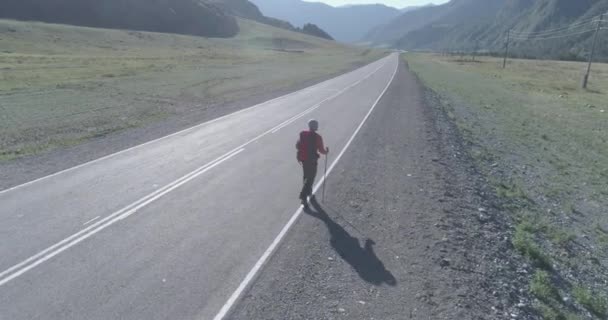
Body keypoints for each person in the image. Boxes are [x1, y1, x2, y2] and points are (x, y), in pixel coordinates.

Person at [296, 119, 329, 207]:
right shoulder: (317, 137)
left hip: (303, 159)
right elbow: (321, 150)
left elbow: (297, 145)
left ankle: (309, 192)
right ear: (314, 126)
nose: (317, 126)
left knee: (306, 176)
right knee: (311, 178)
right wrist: (326, 152)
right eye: (316, 125)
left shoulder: (303, 134)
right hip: (312, 160)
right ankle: (303, 197)